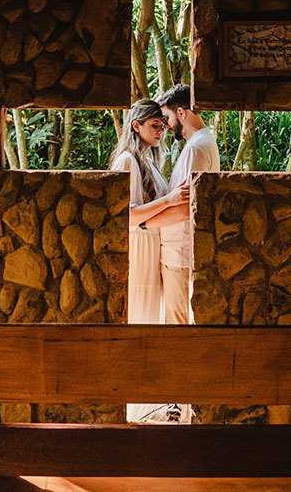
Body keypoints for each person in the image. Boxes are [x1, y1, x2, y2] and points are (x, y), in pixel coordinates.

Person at [109, 99, 189, 423]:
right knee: (139, 317)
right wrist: (169, 200)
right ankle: (133, 405)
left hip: (151, 245)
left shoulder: (148, 160)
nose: (161, 131)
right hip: (139, 248)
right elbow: (126, 214)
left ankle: (144, 400)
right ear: (136, 126)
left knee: (150, 319)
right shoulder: (128, 161)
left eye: (162, 125)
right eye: (154, 125)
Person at [156, 83, 221, 326]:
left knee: (177, 322)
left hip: (179, 251)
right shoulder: (203, 141)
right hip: (180, 250)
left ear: (182, 113)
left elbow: (187, 207)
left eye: (167, 117)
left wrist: (144, 222)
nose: (166, 124)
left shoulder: (196, 148)